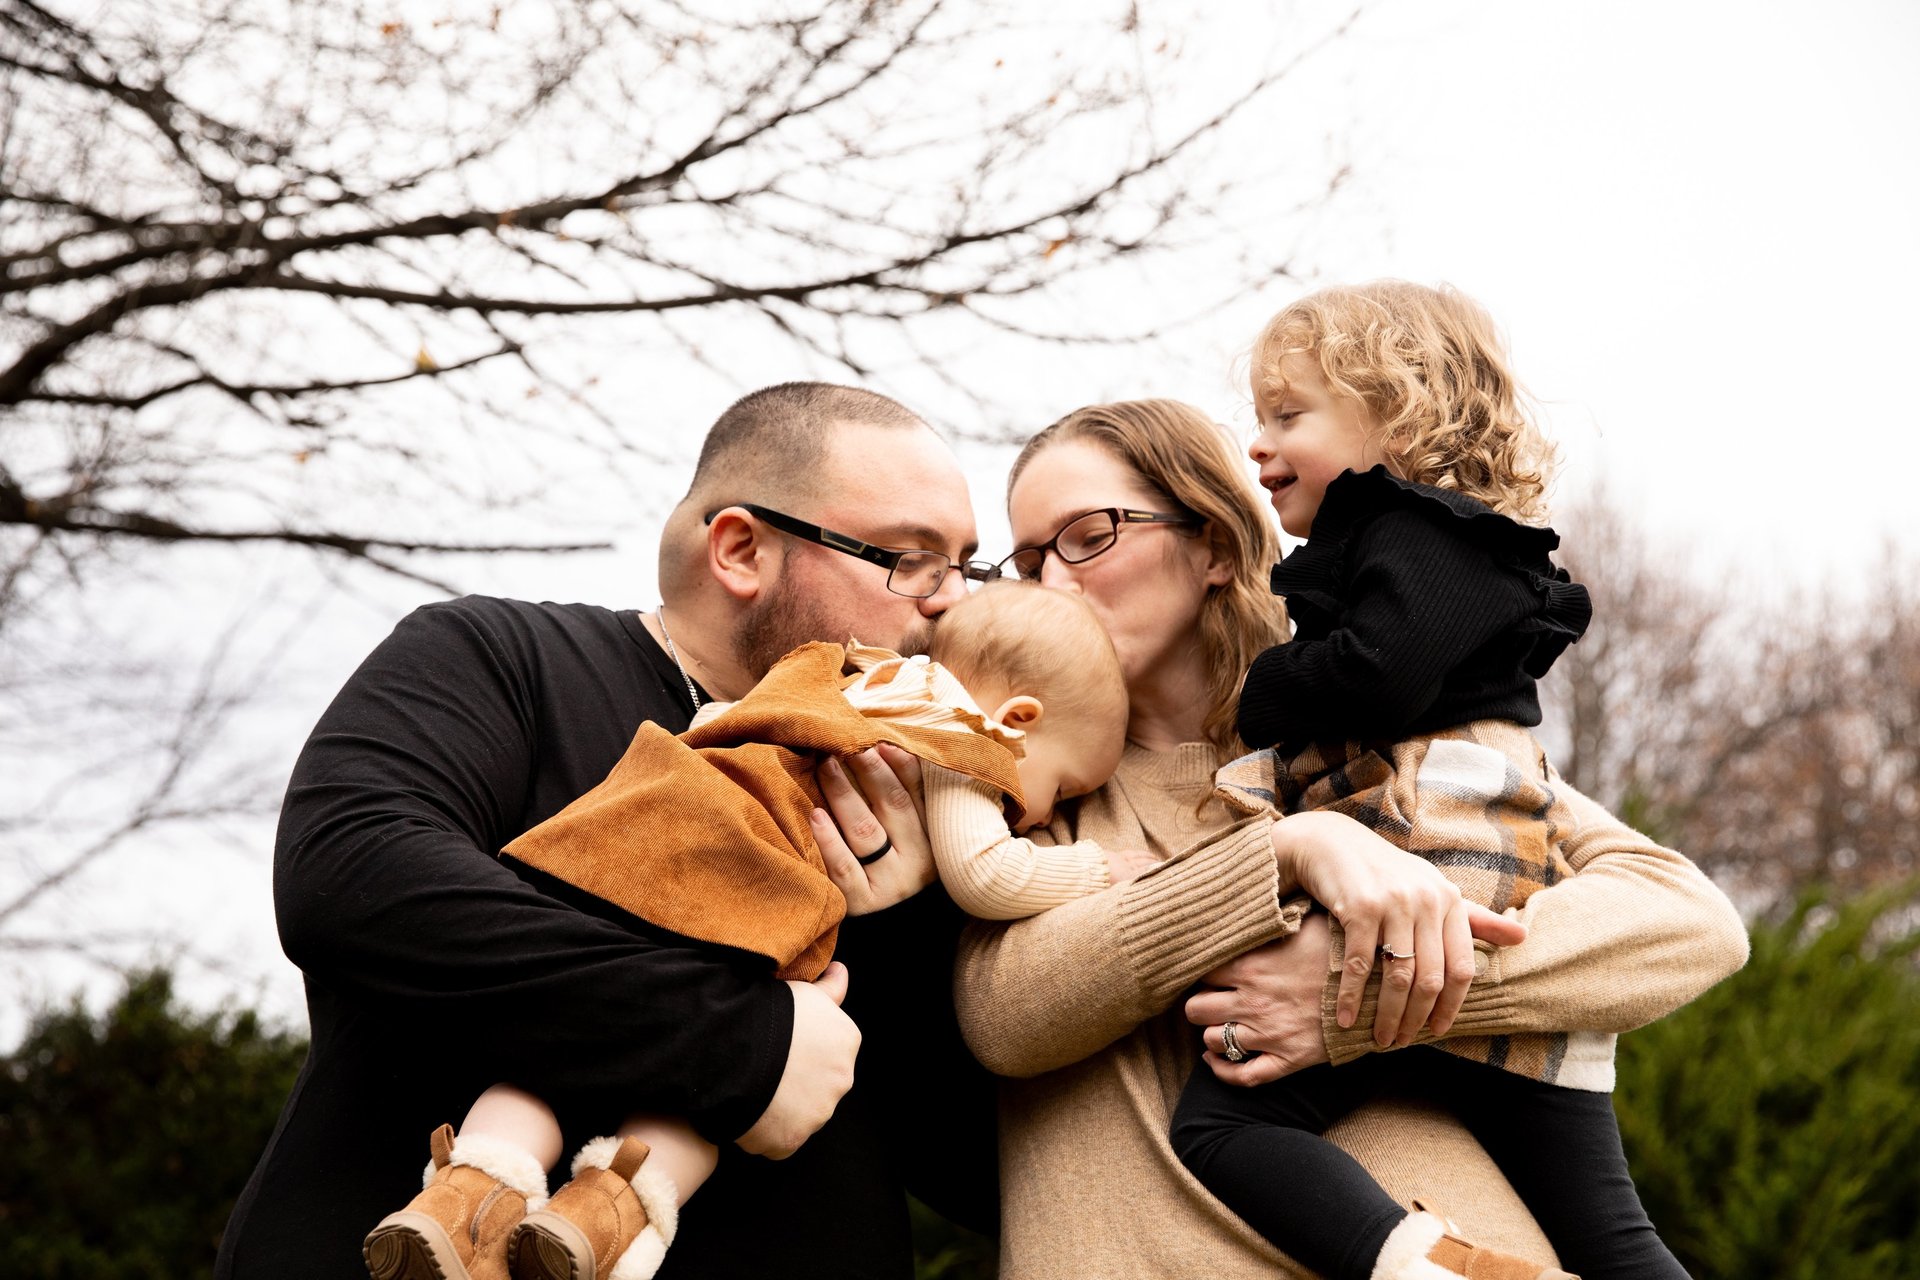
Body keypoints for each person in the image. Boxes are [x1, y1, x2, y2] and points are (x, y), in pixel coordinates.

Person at [902, 397, 1749, 1279]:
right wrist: (1281, 855)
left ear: (1218, 548)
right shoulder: (1020, 772)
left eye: (1088, 536)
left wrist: (1366, 993)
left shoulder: (1376, 735)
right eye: (1028, 560)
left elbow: (1687, 921)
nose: (1052, 585)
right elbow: (1007, 1012)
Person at [216, 382, 1005, 1280]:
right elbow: (354, 877)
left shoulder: (938, 797)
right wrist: (739, 1046)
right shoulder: (499, 658)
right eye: (910, 559)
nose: (948, 602)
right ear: (742, 549)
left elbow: (977, 1172)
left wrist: (908, 918)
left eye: (967, 568)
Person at [361, 583, 1132, 1280]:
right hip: (738, 892)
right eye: (1060, 789)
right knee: (717, 1097)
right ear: (1020, 719)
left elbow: (712, 722)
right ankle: (597, 1231)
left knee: (545, 1066)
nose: (1043, 816)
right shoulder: (964, 738)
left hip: (624, 842)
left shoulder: (839, 670)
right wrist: (1096, 870)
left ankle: (459, 1202)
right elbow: (987, 876)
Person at [1169, 281, 1684, 1280]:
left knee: (1224, 1121)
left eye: (1288, 415)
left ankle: (1417, 1264)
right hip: (1493, 937)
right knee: (1613, 1240)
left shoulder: (1427, 533)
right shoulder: (1423, 548)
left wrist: (1259, 687)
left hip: (1436, 884)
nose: (1257, 446)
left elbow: (1376, 671)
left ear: (1395, 413)